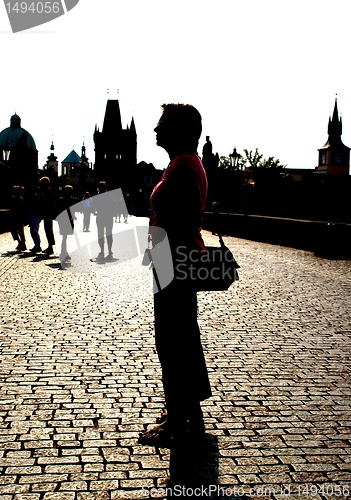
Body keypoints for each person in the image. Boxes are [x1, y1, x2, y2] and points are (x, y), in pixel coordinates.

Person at [139, 103, 211, 446]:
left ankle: (180, 420)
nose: (155, 129)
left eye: (162, 123)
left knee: (173, 340)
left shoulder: (182, 165)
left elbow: (177, 218)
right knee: (179, 336)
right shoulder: (182, 163)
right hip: (171, 258)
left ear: (179, 130)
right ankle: (184, 411)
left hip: (174, 260)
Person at [92, 181, 116, 260]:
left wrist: (95, 212)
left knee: (100, 234)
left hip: (100, 216)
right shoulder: (110, 196)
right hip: (108, 216)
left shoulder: (96, 197)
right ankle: (109, 250)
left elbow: (93, 207)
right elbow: (114, 205)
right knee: (109, 234)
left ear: (98, 188)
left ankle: (102, 251)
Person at [56, 185, 77, 263]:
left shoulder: (61, 200)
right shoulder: (72, 200)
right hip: (68, 219)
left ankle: (64, 251)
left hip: (62, 220)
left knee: (64, 237)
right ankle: (64, 252)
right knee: (65, 237)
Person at [38, 176, 56, 255]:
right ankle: (50, 246)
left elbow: (46, 203)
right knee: (48, 230)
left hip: (47, 213)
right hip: (48, 213)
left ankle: (50, 247)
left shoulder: (46, 193)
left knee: (48, 230)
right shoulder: (49, 192)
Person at [9, 185, 26, 251]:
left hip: (17, 217)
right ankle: (21, 243)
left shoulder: (17, 199)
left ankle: (21, 243)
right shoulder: (19, 198)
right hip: (18, 217)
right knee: (19, 231)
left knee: (17, 230)